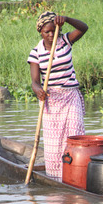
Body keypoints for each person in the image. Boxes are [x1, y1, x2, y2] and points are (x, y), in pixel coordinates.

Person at [27, 11, 88, 179]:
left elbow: (84, 28)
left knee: (75, 138)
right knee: (54, 146)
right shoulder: (36, 53)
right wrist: (38, 90)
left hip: (70, 96)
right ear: (40, 32)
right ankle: (56, 177)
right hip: (51, 100)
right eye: (47, 31)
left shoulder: (65, 41)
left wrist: (66, 19)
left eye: (54, 30)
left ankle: (76, 174)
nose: (51, 34)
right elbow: (34, 81)